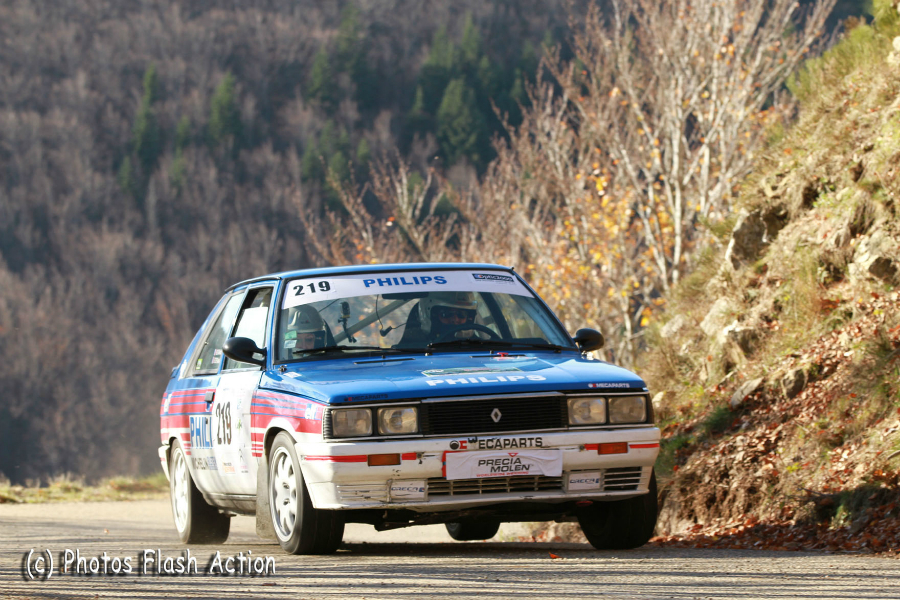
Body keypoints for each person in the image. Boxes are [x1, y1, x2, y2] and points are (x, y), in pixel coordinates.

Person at [397, 291, 480, 346]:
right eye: (446, 314)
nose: (455, 319)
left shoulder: (481, 345)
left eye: (461, 314)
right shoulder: (410, 345)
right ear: (432, 315)